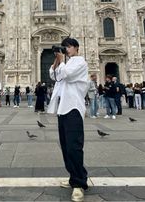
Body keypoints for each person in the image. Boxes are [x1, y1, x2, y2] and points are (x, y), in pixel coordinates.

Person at [48, 37, 89, 202]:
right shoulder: (67, 63)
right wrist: (57, 60)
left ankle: (79, 184)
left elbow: (67, 75)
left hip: (73, 108)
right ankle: (74, 177)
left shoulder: (80, 63)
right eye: (64, 47)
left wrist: (62, 61)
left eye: (69, 46)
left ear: (76, 48)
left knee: (74, 147)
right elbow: (54, 75)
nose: (66, 49)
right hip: (63, 108)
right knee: (66, 146)